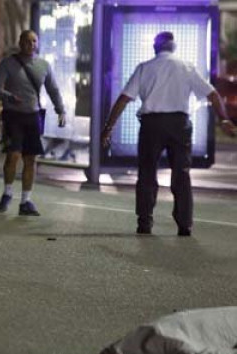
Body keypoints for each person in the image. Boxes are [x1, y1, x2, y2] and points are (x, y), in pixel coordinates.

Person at [100, 32, 236, 236]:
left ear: (155, 47)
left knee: (146, 173)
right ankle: (184, 224)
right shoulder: (186, 67)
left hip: (151, 125)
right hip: (179, 125)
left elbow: (123, 99)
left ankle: (144, 222)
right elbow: (213, 94)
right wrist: (224, 119)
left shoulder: (144, 68)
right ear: (173, 47)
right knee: (181, 173)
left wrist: (108, 128)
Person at [0, 30, 65, 216]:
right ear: (20, 42)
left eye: (34, 41)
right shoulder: (9, 63)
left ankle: (26, 201)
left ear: (37, 44)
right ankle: (7, 193)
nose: (31, 44)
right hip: (13, 115)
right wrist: (9, 97)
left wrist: (61, 110)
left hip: (33, 116)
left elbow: (53, 89)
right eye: (27, 41)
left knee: (31, 159)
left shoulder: (43, 65)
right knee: (13, 155)